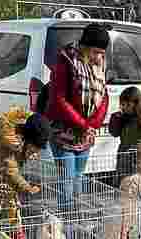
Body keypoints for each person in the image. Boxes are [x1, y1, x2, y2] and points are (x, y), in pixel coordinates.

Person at [45, 24, 110, 216]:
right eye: (96, 52)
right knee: (66, 179)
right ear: (85, 46)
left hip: (85, 135)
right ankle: (66, 221)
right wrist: (82, 124)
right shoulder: (65, 61)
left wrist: (92, 126)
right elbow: (59, 98)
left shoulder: (99, 63)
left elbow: (104, 97)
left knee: (78, 178)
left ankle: (75, 216)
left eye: (102, 53)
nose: (99, 57)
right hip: (63, 132)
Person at [0, 107, 51, 239]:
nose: (36, 152)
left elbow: (14, 168)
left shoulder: (24, 137)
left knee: (11, 201)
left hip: (4, 170)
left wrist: (29, 154)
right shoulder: (6, 145)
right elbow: (11, 172)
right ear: (28, 140)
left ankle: (15, 232)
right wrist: (27, 187)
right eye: (35, 148)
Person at [108, 86, 141, 214]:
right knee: (123, 182)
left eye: (126, 104)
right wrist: (116, 119)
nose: (123, 107)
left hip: (140, 154)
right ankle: (127, 210)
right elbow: (114, 132)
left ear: (136, 103)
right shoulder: (123, 117)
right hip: (124, 152)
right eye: (122, 104)